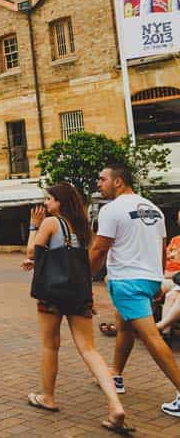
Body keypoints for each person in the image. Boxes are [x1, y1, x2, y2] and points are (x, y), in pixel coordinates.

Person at [21, 183, 128, 432]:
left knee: (50, 344)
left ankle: (48, 397)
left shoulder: (50, 223)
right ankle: (115, 404)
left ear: (60, 202)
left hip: (52, 294)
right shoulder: (83, 228)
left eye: (49, 199)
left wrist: (33, 226)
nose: (46, 204)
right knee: (89, 349)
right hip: (78, 293)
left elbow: (31, 252)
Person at [89, 162, 180, 418]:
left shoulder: (111, 209)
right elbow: (162, 248)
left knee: (151, 337)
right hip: (149, 278)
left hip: (127, 281)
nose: (99, 183)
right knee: (124, 326)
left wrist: (82, 278)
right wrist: (157, 280)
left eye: (102, 178)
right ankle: (116, 375)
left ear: (118, 181)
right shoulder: (153, 209)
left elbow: (99, 249)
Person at [156, 212, 180, 335]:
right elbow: (165, 258)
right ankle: (162, 332)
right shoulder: (175, 240)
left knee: (172, 296)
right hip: (168, 278)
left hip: (175, 279)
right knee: (149, 289)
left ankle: (159, 328)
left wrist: (169, 275)